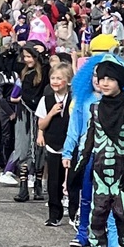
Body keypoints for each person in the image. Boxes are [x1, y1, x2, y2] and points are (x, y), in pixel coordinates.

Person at [77, 60, 124, 247]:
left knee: (123, 213)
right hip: (99, 172)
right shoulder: (95, 108)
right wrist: (79, 167)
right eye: (101, 78)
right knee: (97, 213)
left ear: (120, 82)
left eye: (110, 79)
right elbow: (89, 139)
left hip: (122, 172)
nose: (104, 83)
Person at [11, 42, 51, 202]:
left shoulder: (45, 73)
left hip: (40, 115)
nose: (27, 59)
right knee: (24, 147)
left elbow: (49, 65)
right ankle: (23, 186)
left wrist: (44, 52)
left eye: (30, 56)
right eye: (25, 56)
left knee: (40, 149)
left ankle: (38, 185)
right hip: (24, 115)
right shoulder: (25, 73)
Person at [36, 63, 74, 226]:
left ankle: (74, 213)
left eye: (60, 78)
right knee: (54, 181)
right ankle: (54, 213)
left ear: (68, 81)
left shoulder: (75, 99)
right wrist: (51, 113)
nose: (55, 81)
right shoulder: (46, 99)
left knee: (72, 181)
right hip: (53, 143)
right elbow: (41, 124)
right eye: (53, 78)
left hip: (70, 144)